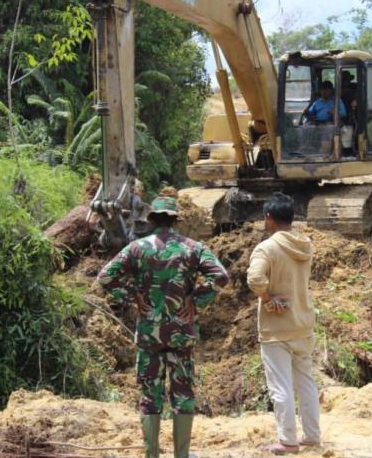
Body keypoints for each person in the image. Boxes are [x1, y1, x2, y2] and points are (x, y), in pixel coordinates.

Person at [97, 196, 229, 458]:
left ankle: (152, 454)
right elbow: (221, 276)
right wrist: (196, 299)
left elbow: (105, 277)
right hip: (181, 333)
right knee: (183, 394)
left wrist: (132, 296)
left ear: (152, 219)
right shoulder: (193, 247)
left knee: (150, 395)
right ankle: (182, 455)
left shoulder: (136, 248)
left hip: (149, 334)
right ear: (176, 220)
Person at [246, 192, 320, 455]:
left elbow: (254, 278)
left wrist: (268, 298)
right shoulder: (306, 245)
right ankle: (312, 436)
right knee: (306, 382)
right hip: (304, 322)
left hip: (277, 328)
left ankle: (288, 441)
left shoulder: (267, 248)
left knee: (281, 387)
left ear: (268, 219)